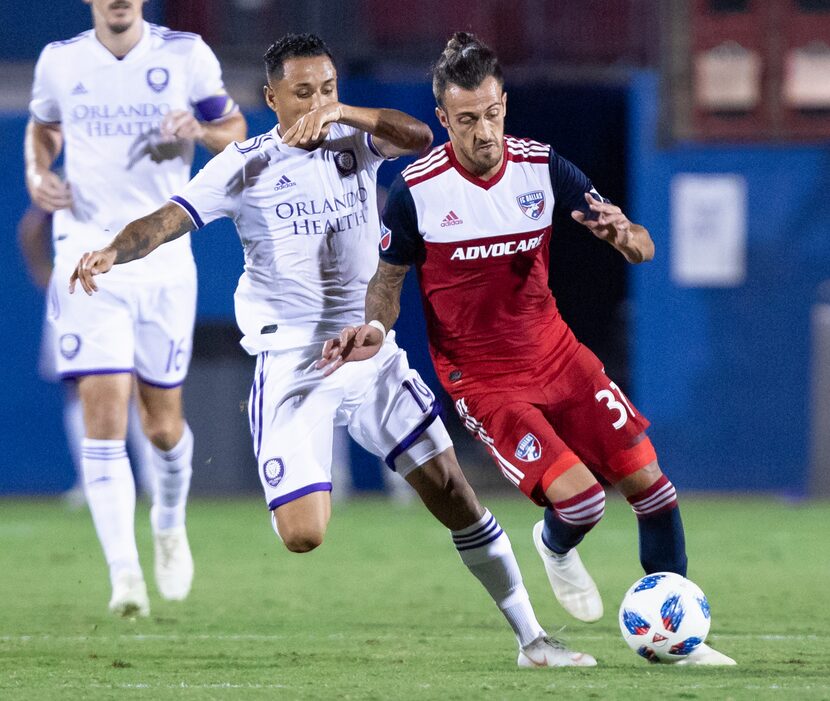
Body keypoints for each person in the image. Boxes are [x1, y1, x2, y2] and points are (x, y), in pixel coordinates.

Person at [69, 32, 596, 668]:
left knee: (456, 495)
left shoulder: (353, 140)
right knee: (304, 535)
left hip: (369, 348)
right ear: (271, 99)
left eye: (328, 89)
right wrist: (111, 250)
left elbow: (417, 138)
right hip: (295, 360)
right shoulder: (243, 164)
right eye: (303, 93)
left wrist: (346, 113)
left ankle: (533, 641)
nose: (318, 102)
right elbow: (165, 222)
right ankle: (278, 439)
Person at [318, 32, 736, 666]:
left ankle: (680, 642)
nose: (483, 131)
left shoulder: (543, 168)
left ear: (504, 104)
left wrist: (624, 236)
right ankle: (555, 542)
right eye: (467, 119)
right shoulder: (416, 190)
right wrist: (373, 333)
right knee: (584, 501)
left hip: (561, 356)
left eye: (492, 113)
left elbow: (643, 246)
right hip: (485, 380)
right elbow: (387, 283)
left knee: (654, 489)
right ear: (444, 118)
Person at [25, 0, 247, 617]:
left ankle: (169, 522)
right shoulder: (60, 61)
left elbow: (234, 130)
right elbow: (43, 126)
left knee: (161, 427)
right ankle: (125, 577)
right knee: (101, 409)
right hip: (84, 248)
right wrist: (36, 169)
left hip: (162, 257)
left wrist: (198, 132)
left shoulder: (185, 53)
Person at [18, 203, 156, 506]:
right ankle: (95, 481)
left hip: (119, 283)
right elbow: (31, 226)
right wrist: (43, 271)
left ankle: (146, 480)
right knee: (80, 387)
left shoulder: (125, 171)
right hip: (78, 287)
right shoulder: (72, 177)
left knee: (132, 383)